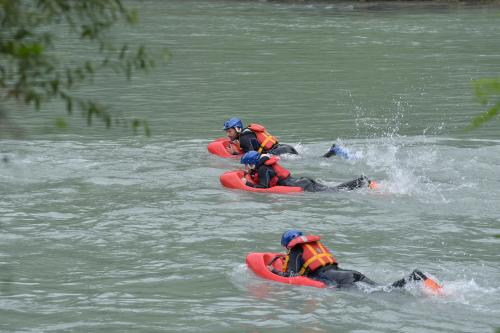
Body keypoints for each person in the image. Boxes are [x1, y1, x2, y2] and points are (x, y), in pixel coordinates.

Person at [273, 230, 442, 292]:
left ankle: (414, 277)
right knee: (384, 289)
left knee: (382, 294)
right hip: (350, 273)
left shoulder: (296, 249)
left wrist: (273, 271)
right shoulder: (312, 245)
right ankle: (419, 278)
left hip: (339, 279)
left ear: (288, 244)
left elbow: (291, 275)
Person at [239, 151, 376, 192]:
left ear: (252, 164)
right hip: (302, 181)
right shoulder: (264, 166)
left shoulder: (263, 169)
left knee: (337, 191)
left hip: (303, 185)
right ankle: (362, 181)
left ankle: (362, 181)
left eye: (246, 165)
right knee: (334, 189)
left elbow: (264, 187)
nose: (246, 168)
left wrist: (248, 184)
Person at [223, 117, 298, 156]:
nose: (228, 135)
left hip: (281, 152)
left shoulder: (244, 138)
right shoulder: (246, 133)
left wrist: (234, 153)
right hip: (285, 148)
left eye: (230, 131)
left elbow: (251, 156)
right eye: (226, 132)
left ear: (237, 129)